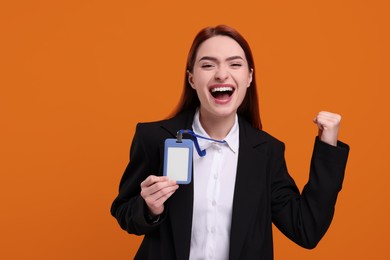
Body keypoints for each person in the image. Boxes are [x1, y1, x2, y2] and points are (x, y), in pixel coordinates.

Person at [110, 25, 349, 260]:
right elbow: (124, 212)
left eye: (235, 64)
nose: (221, 74)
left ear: (249, 77)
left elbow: (305, 229)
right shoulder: (155, 138)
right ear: (192, 79)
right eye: (208, 65)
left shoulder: (267, 152)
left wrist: (328, 146)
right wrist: (149, 208)